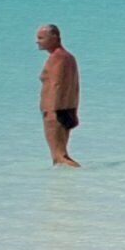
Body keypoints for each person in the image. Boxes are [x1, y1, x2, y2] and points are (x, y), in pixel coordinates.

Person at [36, 24, 82, 167]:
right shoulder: (69, 57)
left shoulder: (57, 58)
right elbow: (75, 86)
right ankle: (65, 184)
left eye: (41, 38)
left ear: (54, 38)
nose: (37, 41)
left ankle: (80, 176)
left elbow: (56, 85)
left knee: (59, 156)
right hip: (67, 108)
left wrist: (51, 112)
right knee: (61, 154)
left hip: (55, 110)